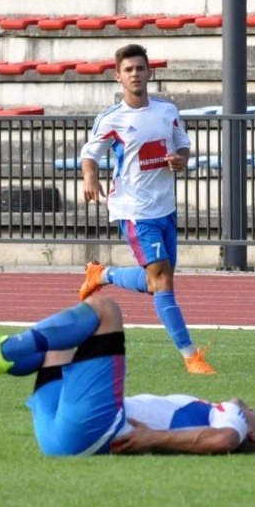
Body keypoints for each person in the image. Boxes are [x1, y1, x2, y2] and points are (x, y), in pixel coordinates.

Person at [0, 296, 255, 457]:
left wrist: (152, 439)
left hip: (97, 431)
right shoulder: (209, 413)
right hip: (61, 434)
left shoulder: (230, 420)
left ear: (251, 431)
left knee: (105, 309)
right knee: (66, 338)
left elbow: (223, 441)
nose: (253, 408)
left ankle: (0, 351)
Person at [74, 43, 213, 375]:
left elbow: (182, 147)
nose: (135, 74)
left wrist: (181, 160)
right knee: (162, 281)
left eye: (140, 68)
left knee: (157, 282)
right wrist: (90, 176)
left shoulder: (167, 111)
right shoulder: (112, 118)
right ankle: (192, 356)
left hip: (164, 207)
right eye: (128, 69)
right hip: (134, 210)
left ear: (150, 72)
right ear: (118, 76)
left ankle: (102, 274)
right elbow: (90, 154)